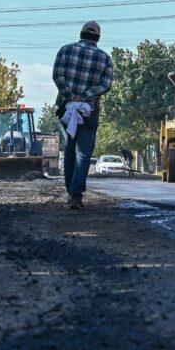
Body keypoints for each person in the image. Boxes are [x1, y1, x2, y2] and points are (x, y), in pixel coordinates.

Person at [52, 20, 113, 209]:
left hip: (67, 109)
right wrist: (85, 96)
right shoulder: (104, 58)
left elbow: (57, 75)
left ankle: (71, 193)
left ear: (81, 33)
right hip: (90, 110)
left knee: (70, 150)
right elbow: (106, 84)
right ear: (98, 37)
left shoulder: (65, 50)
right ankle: (76, 195)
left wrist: (71, 96)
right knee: (83, 154)